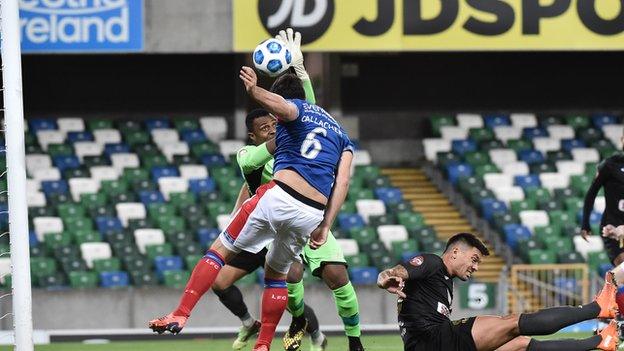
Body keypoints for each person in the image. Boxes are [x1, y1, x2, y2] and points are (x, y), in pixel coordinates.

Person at [149, 55, 355, 351]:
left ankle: (180, 314)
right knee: (276, 277)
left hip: (278, 199)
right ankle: (262, 345)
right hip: (311, 213)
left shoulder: (287, 117)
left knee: (218, 252)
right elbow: (343, 182)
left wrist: (255, 90)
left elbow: (288, 107)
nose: (273, 123)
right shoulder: (339, 133)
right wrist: (326, 224)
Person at [377, 232, 619, 351]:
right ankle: (597, 308)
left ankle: (601, 341)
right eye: (473, 259)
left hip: (432, 345)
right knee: (512, 322)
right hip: (435, 342)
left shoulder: (444, 280)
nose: (475, 267)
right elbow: (396, 271)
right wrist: (387, 277)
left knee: (520, 344)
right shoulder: (432, 263)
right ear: (454, 253)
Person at [581, 140, 624, 315]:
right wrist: (585, 223)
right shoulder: (610, 165)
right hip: (612, 228)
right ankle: (612, 317)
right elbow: (591, 193)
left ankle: (613, 316)